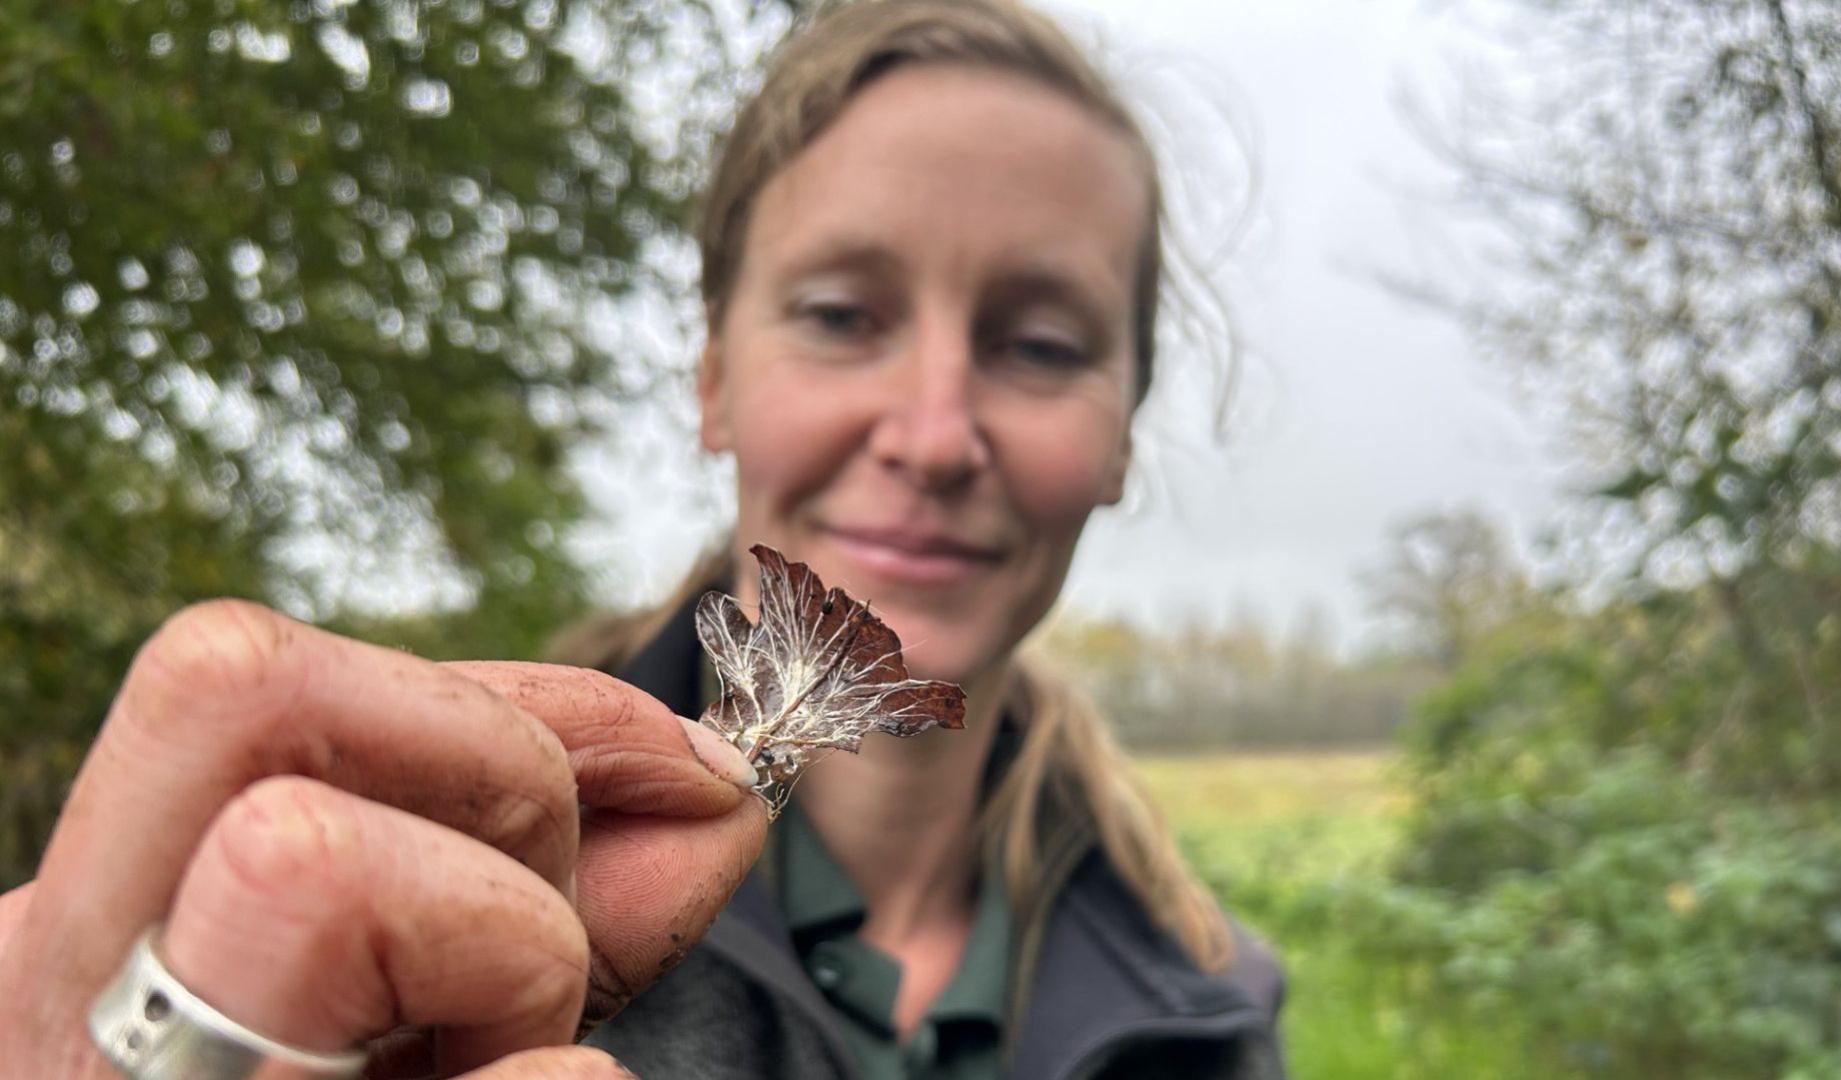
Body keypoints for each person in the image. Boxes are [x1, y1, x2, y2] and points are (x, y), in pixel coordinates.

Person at [0, 1, 1284, 1078]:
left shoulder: (1213, 1006)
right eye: (844, 315)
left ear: (1124, 431)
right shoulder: (439, 875)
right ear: (714, 382)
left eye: (1042, 344)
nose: (936, 434)